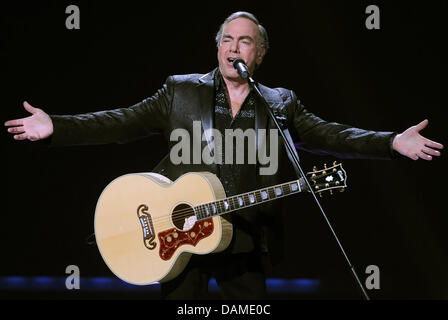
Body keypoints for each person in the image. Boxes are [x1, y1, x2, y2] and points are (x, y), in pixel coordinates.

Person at [4, 12, 443, 299]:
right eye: (228, 39)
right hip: (178, 243)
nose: (235, 48)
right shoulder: (180, 91)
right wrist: (56, 126)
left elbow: (331, 135)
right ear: (217, 47)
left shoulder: (280, 102)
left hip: (246, 242)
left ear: (261, 52)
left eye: (246, 41)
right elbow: (118, 122)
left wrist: (389, 142)